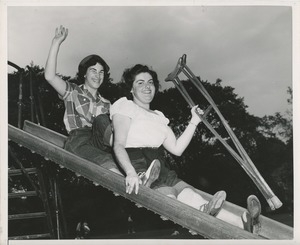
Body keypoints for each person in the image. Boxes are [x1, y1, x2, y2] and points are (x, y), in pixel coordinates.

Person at [109, 64, 261, 233]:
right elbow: (119, 144)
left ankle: (244, 221)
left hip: (159, 166)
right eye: (140, 83)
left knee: (190, 195)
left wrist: (194, 121)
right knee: (170, 199)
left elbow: (176, 149)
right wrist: (130, 172)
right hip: (137, 164)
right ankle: (198, 214)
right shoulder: (125, 107)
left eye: (150, 82)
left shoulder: (159, 117)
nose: (147, 87)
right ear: (131, 88)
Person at [44, 26, 160, 187]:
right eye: (93, 71)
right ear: (84, 73)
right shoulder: (73, 91)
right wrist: (56, 42)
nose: (97, 75)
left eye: (101, 72)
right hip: (80, 140)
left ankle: (139, 173)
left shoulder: (107, 104)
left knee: (109, 126)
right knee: (105, 157)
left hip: (102, 142)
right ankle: (128, 180)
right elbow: (49, 76)